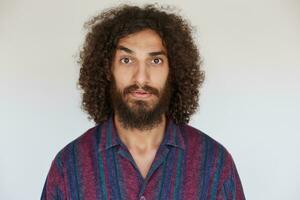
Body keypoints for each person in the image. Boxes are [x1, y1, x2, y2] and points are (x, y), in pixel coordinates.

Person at [41, 4, 245, 200]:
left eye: (155, 61)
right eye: (126, 60)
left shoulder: (214, 163)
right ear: (107, 70)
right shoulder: (69, 166)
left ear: (173, 72)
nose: (140, 78)